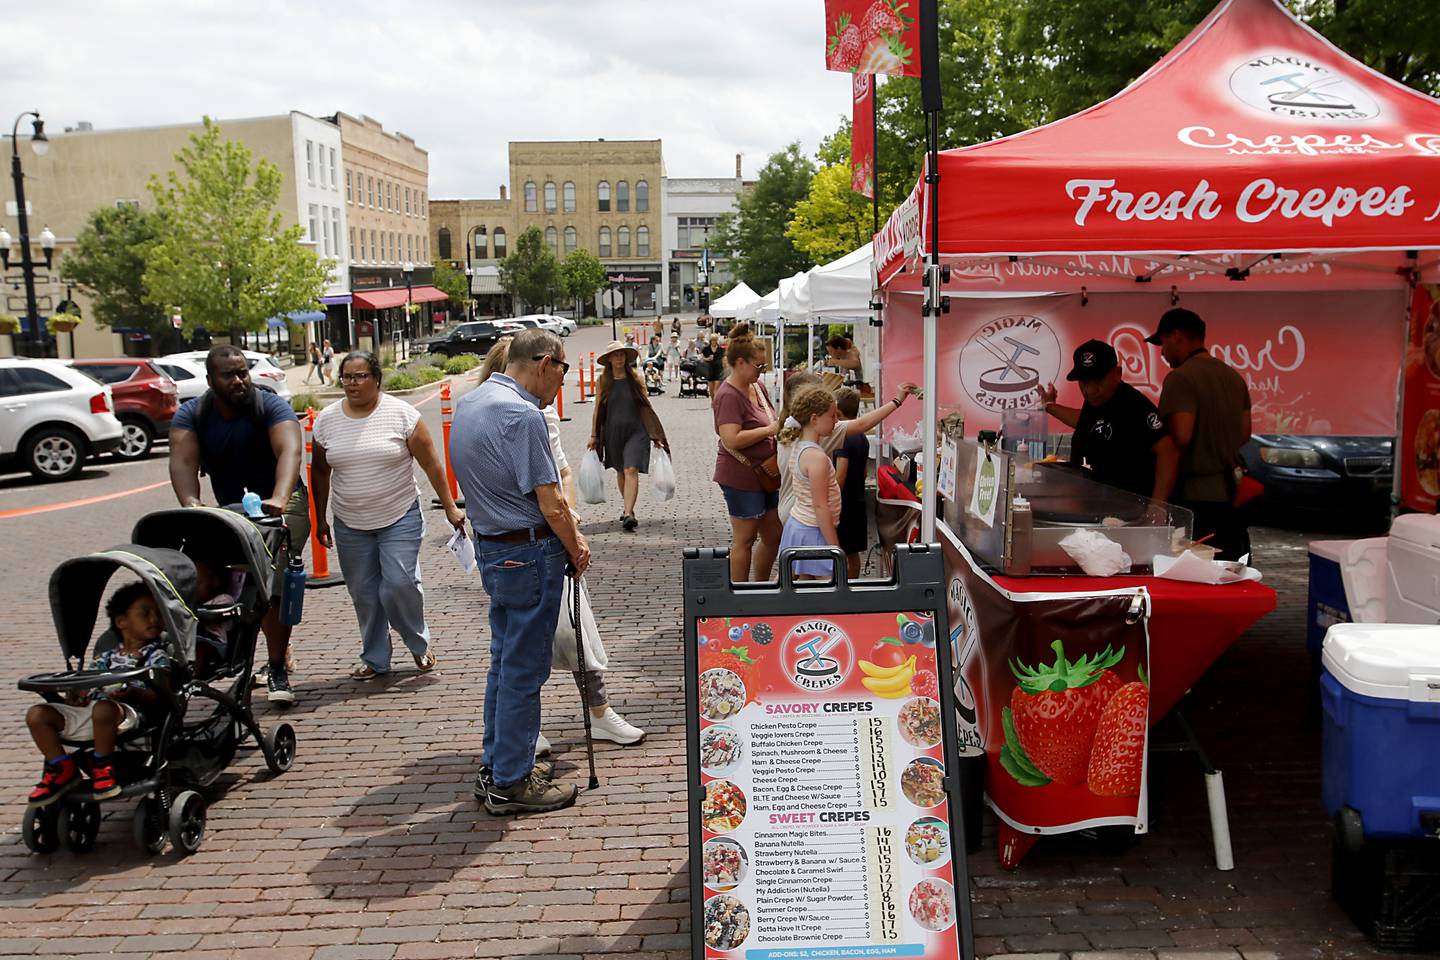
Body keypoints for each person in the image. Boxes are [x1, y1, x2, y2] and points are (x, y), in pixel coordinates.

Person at [479, 340, 646, 749]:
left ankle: (598, 711)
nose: (559, 383)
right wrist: (561, 525)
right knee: (521, 647)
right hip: (523, 544)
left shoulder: (540, 413)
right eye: (558, 374)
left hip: (548, 540)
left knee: (573, 632)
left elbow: (561, 473)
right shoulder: (511, 412)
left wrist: (567, 522)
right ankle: (522, 731)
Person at [450, 328, 588, 815]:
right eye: (564, 369)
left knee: (505, 663)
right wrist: (577, 544)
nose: (562, 381)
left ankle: (499, 763)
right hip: (528, 551)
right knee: (524, 672)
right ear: (545, 362)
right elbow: (551, 502)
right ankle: (511, 779)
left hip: (494, 547)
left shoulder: (472, 401)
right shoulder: (523, 413)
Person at [311, 351, 465, 680]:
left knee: (398, 584)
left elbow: (432, 464)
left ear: (377, 379)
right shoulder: (326, 420)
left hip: (399, 515)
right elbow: (321, 473)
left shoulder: (402, 415)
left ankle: (418, 643)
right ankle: (375, 658)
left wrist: (450, 505)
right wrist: (320, 518)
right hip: (350, 521)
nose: (352, 383)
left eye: (360, 376)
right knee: (364, 594)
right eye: (347, 377)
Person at [168, 345, 306, 704]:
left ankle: (276, 666)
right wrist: (191, 504)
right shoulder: (194, 413)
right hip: (231, 508)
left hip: (282, 500)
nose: (240, 380)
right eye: (229, 375)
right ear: (211, 380)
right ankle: (211, 657)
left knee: (270, 586)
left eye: (243, 371)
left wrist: (277, 497)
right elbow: (183, 461)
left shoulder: (268, 405)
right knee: (213, 579)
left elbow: (290, 450)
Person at [25, 583, 170, 806]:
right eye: (145, 613)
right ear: (122, 621)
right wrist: (76, 694)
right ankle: (62, 767)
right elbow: (87, 683)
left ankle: (103, 765)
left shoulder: (156, 655)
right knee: (37, 715)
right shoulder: (106, 657)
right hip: (92, 712)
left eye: (158, 614)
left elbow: (160, 693)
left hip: (128, 713)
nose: (154, 619)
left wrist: (134, 692)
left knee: (103, 710)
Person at [1147, 308, 1253, 560]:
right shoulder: (1233, 377)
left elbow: (1182, 435)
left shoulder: (1180, 378)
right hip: (1229, 495)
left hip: (1193, 499)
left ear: (1176, 336)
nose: (1162, 352)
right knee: (1224, 567)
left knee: (1195, 569)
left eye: (1162, 343)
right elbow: (1245, 432)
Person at [1038, 339, 1179, 502]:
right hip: (1097, 503)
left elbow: (1168, 453)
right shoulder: (1097, 401)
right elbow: (1082, 420)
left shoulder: (1135, 406)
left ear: (1117, 374)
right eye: (1084, 382)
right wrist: (1048, 406)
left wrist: (1158, 506)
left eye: (1098, 380)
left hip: (1130, 507)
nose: (1090, 390)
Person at [776, 371, 917, 525]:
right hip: (806, 516)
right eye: (832, 415)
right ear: (814, 415)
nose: (835, 421)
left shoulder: (788, 428)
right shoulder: (818, 435)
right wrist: (897, 400)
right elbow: (862, 424)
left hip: (789, 510)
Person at [713, 336, 781, 583]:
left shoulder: (757, 387)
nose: (762, 372)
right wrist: (768, 431)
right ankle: (739, 595)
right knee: (745, 538)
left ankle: (760, 586)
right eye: (759, 366)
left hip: (766, 473)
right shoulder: (728, 395)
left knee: (774, 534)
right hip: (742, 475)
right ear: (740, 362)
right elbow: (730, 438)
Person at [589, 340, 670, 531]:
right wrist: (594, 435)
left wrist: (655, 434)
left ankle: (628, 513)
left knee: (631, 469)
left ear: (626, 358)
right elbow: (597, 408)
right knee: (620, 470)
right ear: (609, 359)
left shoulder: (636, 378)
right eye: (615, 355)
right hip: (613, 432)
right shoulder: (603, 381)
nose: (619, 358)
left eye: (622, 354)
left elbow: (646, 407)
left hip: (637, 431)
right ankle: (628, 507)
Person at [777, 385, 844, 581]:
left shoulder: (797, 446)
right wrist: (835, 549)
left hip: (799, 524)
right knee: (830, 589)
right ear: (814, 419)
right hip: (813, 530)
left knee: (802, 588)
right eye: (832, 416)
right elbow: (820, 506)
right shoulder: (816, 457)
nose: (836, 420)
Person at [832, 388, 871, 580]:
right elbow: (863, 471)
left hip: (843, 503)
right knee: (853, 552)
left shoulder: (843, 436)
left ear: (837, 411)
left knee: (838, 551)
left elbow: (841, 475)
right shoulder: (862, 436)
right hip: (858, 499)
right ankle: (853, 586)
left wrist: (831, 500)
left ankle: (841, 588)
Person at [703, 334, 724, 400]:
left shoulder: (721, 349)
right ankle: (713, 400)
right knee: (711, 389)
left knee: (716, 387)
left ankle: (716, 401)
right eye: (713, 340)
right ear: (710, 341)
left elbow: (724, 358)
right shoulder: (706, 349)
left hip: (719, 369)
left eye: (715, 340)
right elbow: (701, 357)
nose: (714, 342)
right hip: (710, 369)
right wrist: (707, 359)